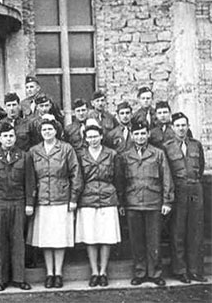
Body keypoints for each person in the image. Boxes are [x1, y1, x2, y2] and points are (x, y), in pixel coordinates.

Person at [27, 118, 82, 289]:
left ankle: (58, 273)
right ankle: (49, 273)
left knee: (59, 238)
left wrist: (73, 198)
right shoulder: (34, 151)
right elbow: (30, 178)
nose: (47, 132)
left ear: (56, 130)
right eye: (44, 130)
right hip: (42, 200)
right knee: (46, 238)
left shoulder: (66, 148)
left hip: (61, 199)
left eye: (50, 129)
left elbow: (76, 174)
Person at [121, 120, 174, 286]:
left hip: (153, 202)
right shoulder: (125, 156)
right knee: (137, 241)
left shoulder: (158, 154)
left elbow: (167, 178)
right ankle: (140, 272)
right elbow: (121, 181)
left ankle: (155, 273)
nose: (140, 136)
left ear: (148, 134)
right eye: (136, 134)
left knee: (154, 240)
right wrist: (122, 203)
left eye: (143, 133)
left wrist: (167, 201)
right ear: (132, 135)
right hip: (133, 203)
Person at [0, 123, 35, 291]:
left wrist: (29, 203)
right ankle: (2, 279)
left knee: (18, 240)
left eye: (11, 136)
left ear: (15, 138)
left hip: (18, 201)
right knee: (1, 240)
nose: (8, 139)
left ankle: (19, 278)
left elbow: (29, 181)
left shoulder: (24, 156)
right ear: (0, 139)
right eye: (5, 136)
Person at [75, 125, 123, 287]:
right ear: (85, 139)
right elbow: (78, 178)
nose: (93, 140)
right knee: (91, 236)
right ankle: (94, 271)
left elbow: (118, 178)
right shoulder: (80, 155)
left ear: (101, 136)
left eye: (95, 136)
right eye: (89, 137)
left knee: (106, 236)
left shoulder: (112, 154)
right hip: (87, 198)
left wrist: (119, 200)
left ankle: (103, 271)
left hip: (108, 197)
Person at [164, 113, 207, 283]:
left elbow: (201, 166)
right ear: (173, 127)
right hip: (178, 190)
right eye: (178, 125)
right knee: (178, 230)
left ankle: (195, 270)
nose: (181, 128)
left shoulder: (196, 145)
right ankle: (180, 270)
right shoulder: (167, 147)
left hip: (195, 189)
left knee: (195, 231)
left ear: (188, 126)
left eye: (184, 125)